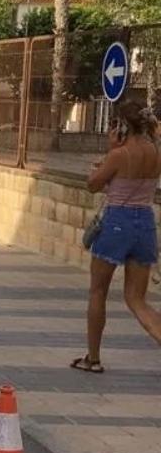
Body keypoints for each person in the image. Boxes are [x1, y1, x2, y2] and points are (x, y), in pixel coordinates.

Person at [72, 99, 161, 373]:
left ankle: (93, 358)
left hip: (116, 222)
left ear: (122, 125)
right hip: (145, 222)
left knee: (98, 291)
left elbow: (92, 185)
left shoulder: (119, 154)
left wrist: (111, 150)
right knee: (137, 299)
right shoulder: (156, 151)